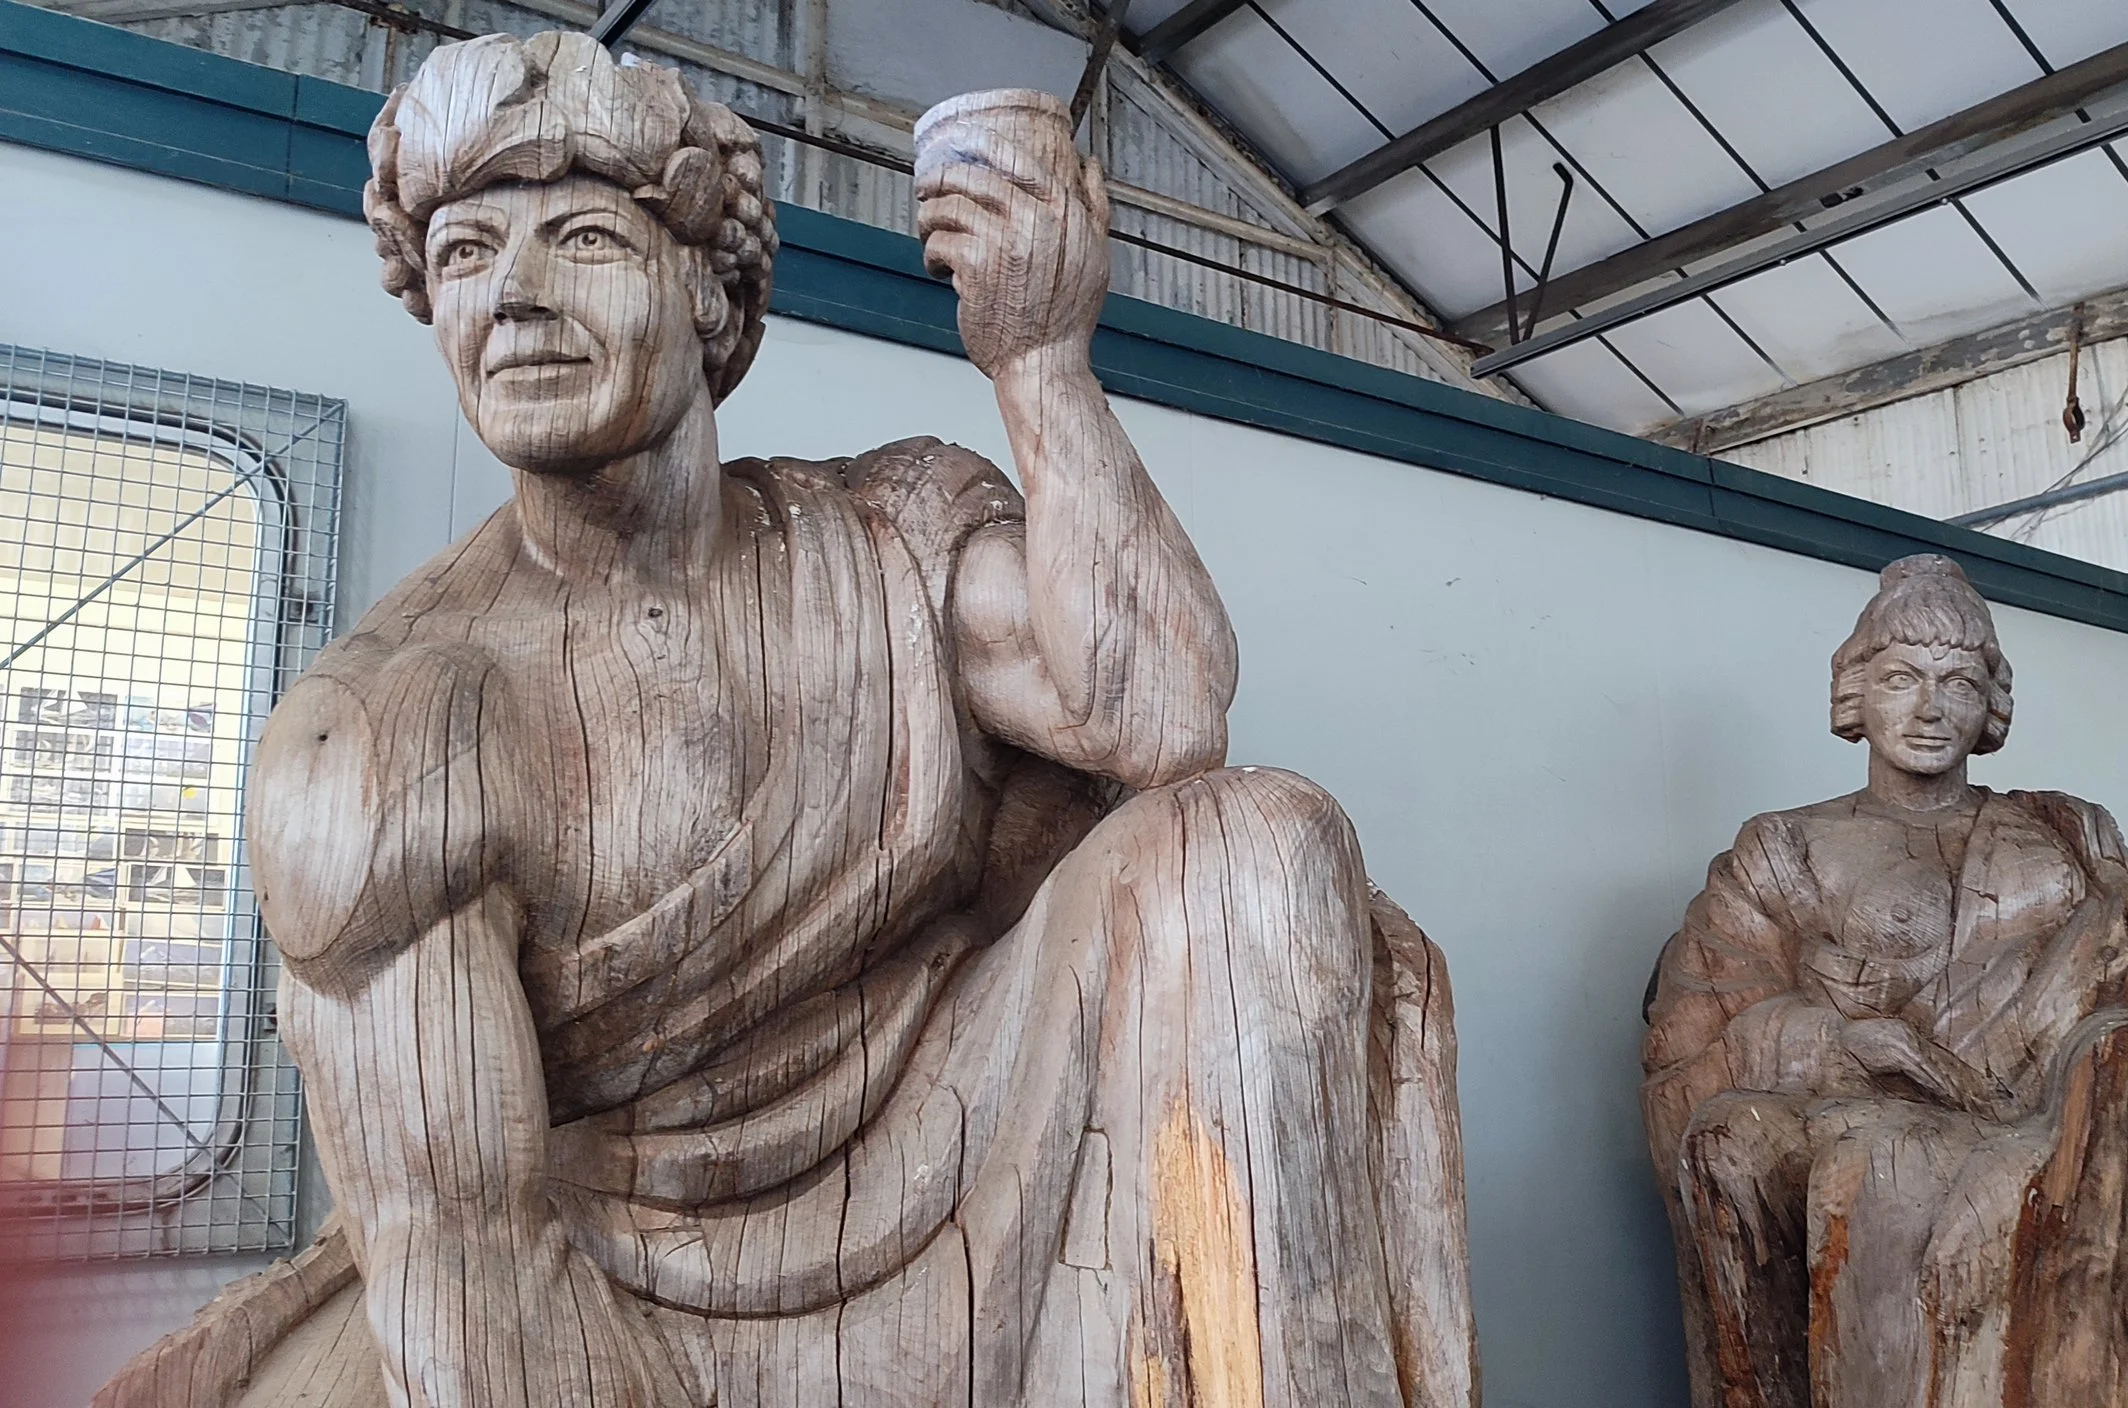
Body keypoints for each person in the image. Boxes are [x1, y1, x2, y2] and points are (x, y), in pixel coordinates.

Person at [97, 33, 1472, 1408]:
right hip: (612, 1279)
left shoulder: (884, 532)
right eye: (463, 256)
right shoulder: (386, 732)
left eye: (579, 237)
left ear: (707, 294)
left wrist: (1042, 359)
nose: (511, 296)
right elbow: (470, 1264)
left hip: (975, 1156)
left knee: (1254, 840)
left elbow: (1164, 716)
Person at [1641, 554, 2128, 1408]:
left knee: (1896, 1162)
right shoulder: (1784, 847)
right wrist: (1837, 1038)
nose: (1931, 708)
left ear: (1991, 705)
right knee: (1757, 1139)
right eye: (1902, 678)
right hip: (1852, 1106)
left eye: (1959, 682)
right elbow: (1699, 1020)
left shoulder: (2065, 834)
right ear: (1855, 690)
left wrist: (2079, 1054)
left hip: (2047, 1114)